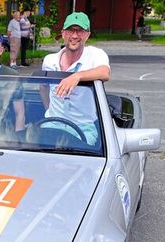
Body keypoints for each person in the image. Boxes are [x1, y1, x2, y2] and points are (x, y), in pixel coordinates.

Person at [40, 12, 110, 145]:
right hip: (53, 124)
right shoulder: (49, 60)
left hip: (83, 127)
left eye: (80, 31)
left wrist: (77, 76)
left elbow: (104, 72)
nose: (74, 36)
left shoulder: (95, 55)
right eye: (70, 30)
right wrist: (50, 111)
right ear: (63, 33)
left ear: (87, 35)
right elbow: (43, 87)